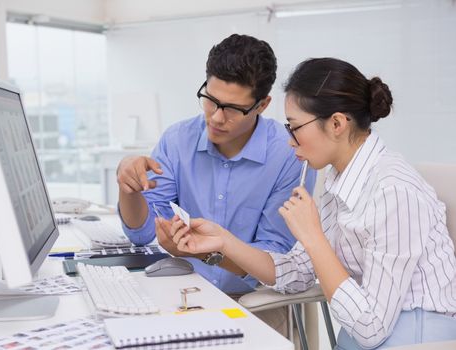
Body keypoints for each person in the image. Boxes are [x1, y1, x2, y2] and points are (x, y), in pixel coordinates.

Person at [170, 57, 456, 349]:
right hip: (368, 336)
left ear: (336, 124)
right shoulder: (339, 179)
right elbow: (296, 270)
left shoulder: (394, 190)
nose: (289, 140)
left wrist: (312, 235)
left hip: (417, 337)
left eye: (294, 127)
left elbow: (372, 327)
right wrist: (224, 242)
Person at [116, 33, 315, 295]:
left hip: (254, 301)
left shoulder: (289, 155)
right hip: (182, 294)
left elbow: (275, 261)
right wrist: (128, 188)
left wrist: (205, 254)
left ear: (262, 105)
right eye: (211, 100)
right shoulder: (177, 140)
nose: (217, 117)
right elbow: (141, 235)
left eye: (233, 108)